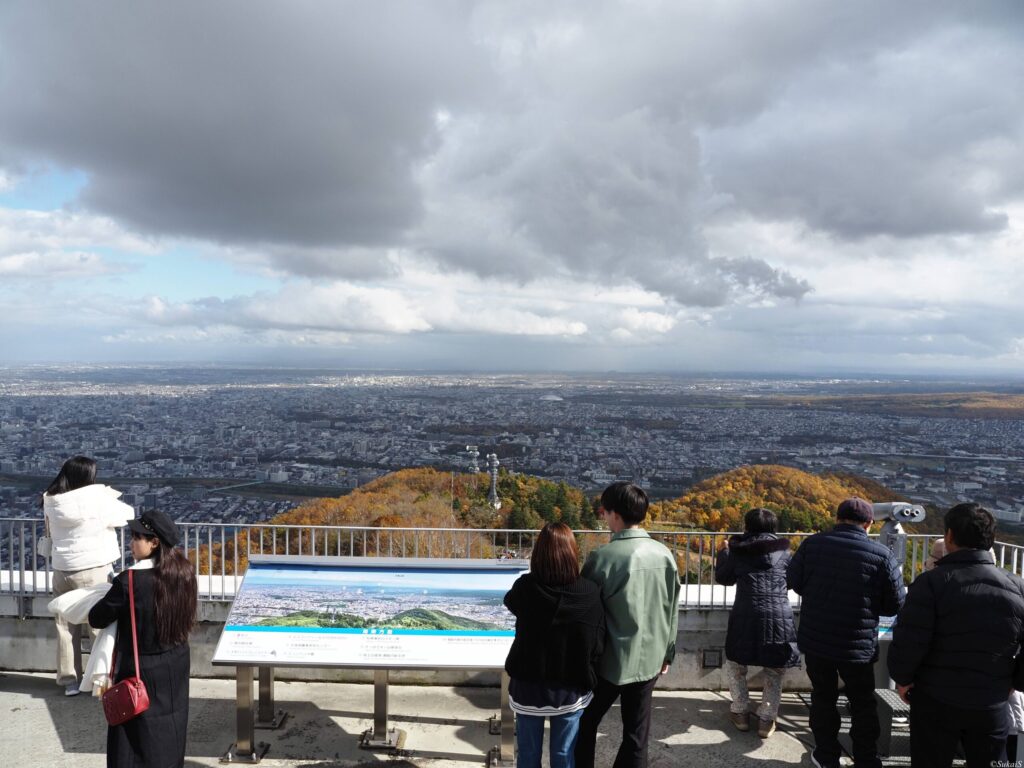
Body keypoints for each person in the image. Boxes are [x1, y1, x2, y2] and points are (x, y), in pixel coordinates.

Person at [887, 502, 1024, 768]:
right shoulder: (1017, 587)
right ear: (992, 540)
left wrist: (903, 679)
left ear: (949, 536)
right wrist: (1015, 683)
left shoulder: (930, 583)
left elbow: (910, 640)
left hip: (935, 699)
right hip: (991, 700)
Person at [786, 497, 905, 768]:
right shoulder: (881, 555)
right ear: (869, 524)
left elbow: (793, 581)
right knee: (862, 702)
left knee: (823, 697)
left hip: (818, 640)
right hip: (858, 644)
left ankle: (827, 755)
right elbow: (895, 603)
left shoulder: (813, 545)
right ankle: (866, 758)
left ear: (837, 519)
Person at [574, 482, 680, 768]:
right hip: (652, 657)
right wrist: (668, 651)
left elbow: (584, 609)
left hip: (610, 659)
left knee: (583, 721)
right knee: (636, 732)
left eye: (605, 512)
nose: (604, 517)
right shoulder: (664, 554)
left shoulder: (602, 558)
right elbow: (672, 608)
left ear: (615, 515)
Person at [89, 510, 197, 768]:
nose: (130, 543)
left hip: (139, 667)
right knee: (171, 723)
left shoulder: (129, 581)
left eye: (136, 537)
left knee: (134, 734)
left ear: (154, 542)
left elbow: (97, 618)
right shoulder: (185, 573)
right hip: (176, 660)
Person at [504, 522, 605, 768]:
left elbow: (511, 603)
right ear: (572, 554)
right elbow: (597, 643)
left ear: (538, 554)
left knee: (527, 756)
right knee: (563, 756)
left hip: (528, 687)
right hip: (570, 687)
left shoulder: (525, 588)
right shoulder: (589, 593)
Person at [42, 456, 134, 696]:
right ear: (87, 477)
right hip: (93, 568)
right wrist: (106, 495)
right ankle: (99, 680)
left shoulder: (51, 499)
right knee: (99, 625)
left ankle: (69, 681)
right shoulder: (95, 499)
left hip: (62, 569)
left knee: (65, 626)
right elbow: (126, 515)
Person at [714, 507, 799, 739]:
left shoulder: (737, 551)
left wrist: (723, 552)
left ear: (747, 527)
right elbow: (793, 580)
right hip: (779, 614)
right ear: (774, 528)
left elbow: (723, 577)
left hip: (746, 612)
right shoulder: (786, 554)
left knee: (735, 663)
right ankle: (766, 719)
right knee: (774, 669)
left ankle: (740, 712)